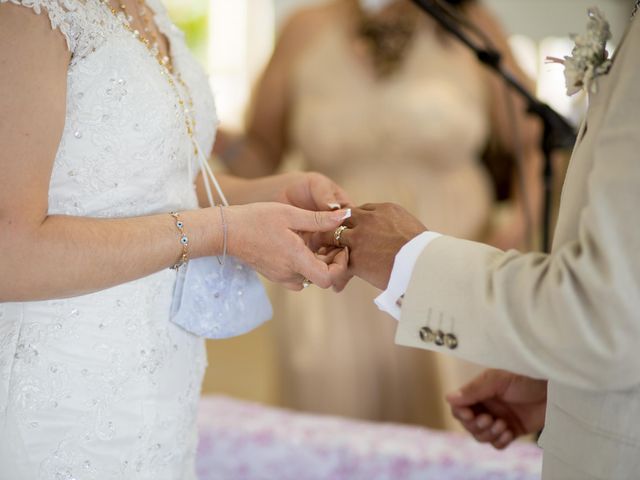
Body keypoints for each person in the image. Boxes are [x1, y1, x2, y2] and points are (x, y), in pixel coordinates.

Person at [0, 1, 349, 477]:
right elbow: (11, 253)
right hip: (62, 381)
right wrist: (222, 231)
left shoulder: (149, 11)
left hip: (162, 370)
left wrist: (270, 197)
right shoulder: (29, 15)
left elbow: (163, 183)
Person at [323, 6, 640, 479]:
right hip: (340, 302)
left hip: (457, 269)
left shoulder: (473, 26)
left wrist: (411, 261)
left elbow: (605, 306)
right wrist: (561, 381)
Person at [215, 0, 542, 428]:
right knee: (335, 435)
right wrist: (210, 135)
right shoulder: (304, 29)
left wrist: (517, 225)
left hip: (447, 260)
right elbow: (263, 160)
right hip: (335, 277)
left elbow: (535, 145)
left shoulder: (470, 27)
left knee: (450, 423)